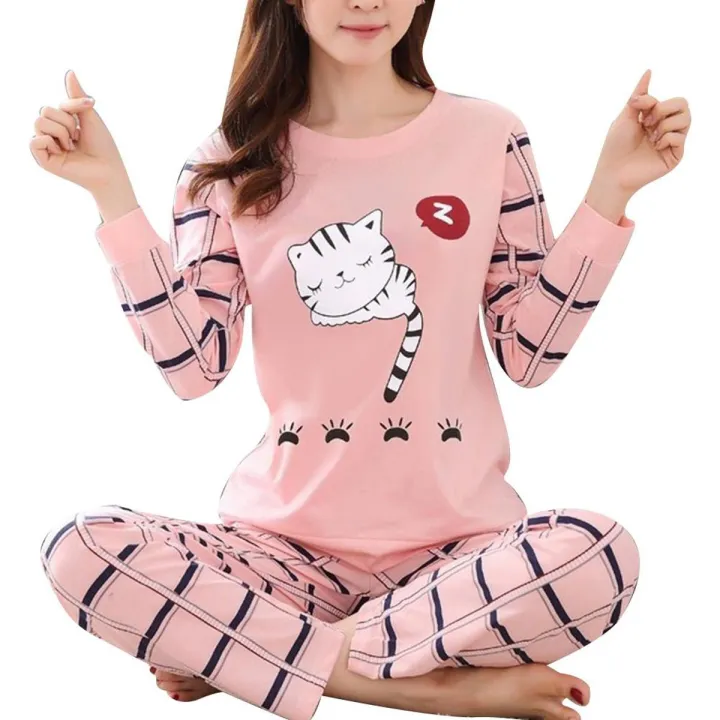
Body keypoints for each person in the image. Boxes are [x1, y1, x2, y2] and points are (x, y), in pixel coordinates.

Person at [30, 2, 691, 719]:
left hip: (460, 560)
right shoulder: (229, 160)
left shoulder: (488, 136)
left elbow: (529, 353)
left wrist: (612, 189)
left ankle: (256, 654)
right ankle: (428, 685)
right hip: (278, 555)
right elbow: (193, 366)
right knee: (80, 549)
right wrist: (110, 193)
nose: (367, 1)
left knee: (599, 554)